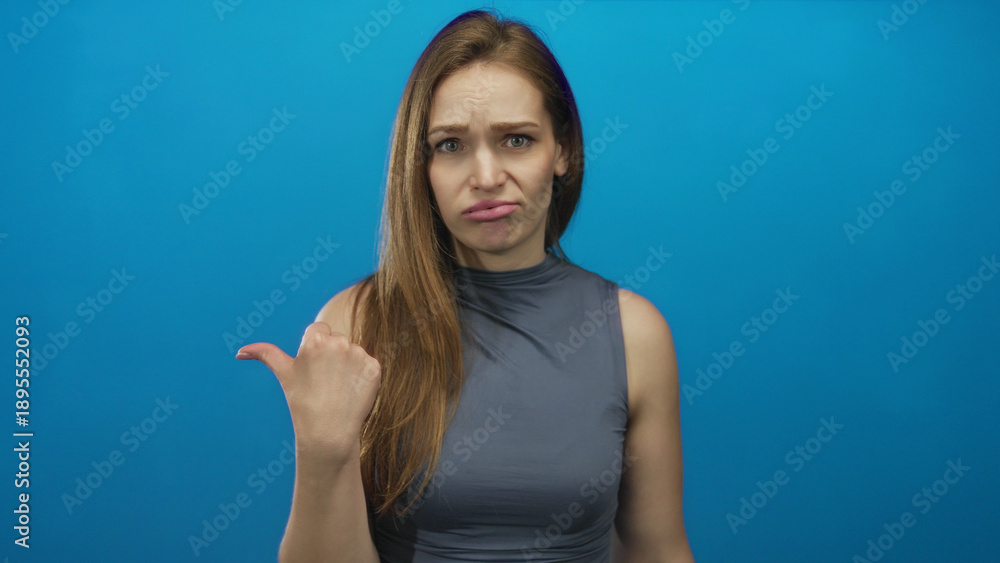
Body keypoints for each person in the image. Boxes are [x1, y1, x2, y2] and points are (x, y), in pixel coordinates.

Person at [236, 8, 694, 562]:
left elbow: (658, 551)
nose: (486, 177)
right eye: (451, 145)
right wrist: (322, 447)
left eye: (517, 140)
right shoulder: (353, 324)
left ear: (563, 151)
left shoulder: (634, 333)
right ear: (421, 164)